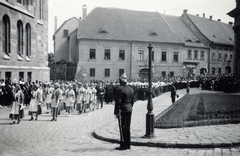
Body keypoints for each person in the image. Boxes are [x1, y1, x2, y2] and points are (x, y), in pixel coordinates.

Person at [114, 73, 135, 150]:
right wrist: (129, 106)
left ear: (121, 81)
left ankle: (123, 145)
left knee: (123, 128)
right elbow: (133, 101)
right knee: (128, 127)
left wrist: (116, 112)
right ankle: (128, 144)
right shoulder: (131, 89)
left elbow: (118, 101)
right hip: (129, 109)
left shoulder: (120, 89)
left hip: (123, 110)